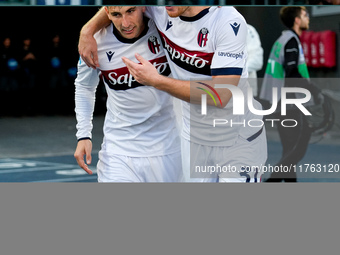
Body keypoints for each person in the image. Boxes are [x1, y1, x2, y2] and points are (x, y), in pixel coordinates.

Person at [78, 6, 267, 183]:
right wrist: (87, 30)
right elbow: (117, 7)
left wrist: (157, 80)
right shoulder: (163, 10)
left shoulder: (228, 20)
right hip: (192, 137)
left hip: (235, 135)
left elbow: (221, 94)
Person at [74, 6, 182, 182]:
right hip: (119, 152)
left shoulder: (165, 28)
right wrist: (83, 135)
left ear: (143, 7)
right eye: (116, 15)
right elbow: (84, 87)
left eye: (130, 11)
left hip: (169, 150)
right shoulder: (95, 42)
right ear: (107, 13)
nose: (125, 23)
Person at [259, 6, 322, 182]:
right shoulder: (291, 42)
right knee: (296, 151)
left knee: (290, 152)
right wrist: (313, 90)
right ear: (296, 20)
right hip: (289, 103)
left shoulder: (283, 39)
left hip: (279, 102)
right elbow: (292, 72)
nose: (308, 18)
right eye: (304, 15)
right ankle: (271, 182)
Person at [246, 24, 264, 97]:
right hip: (215, 92)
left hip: (244, 93)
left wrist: (234, 73)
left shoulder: (247, 29)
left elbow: (257, 60)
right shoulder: (210, 28)